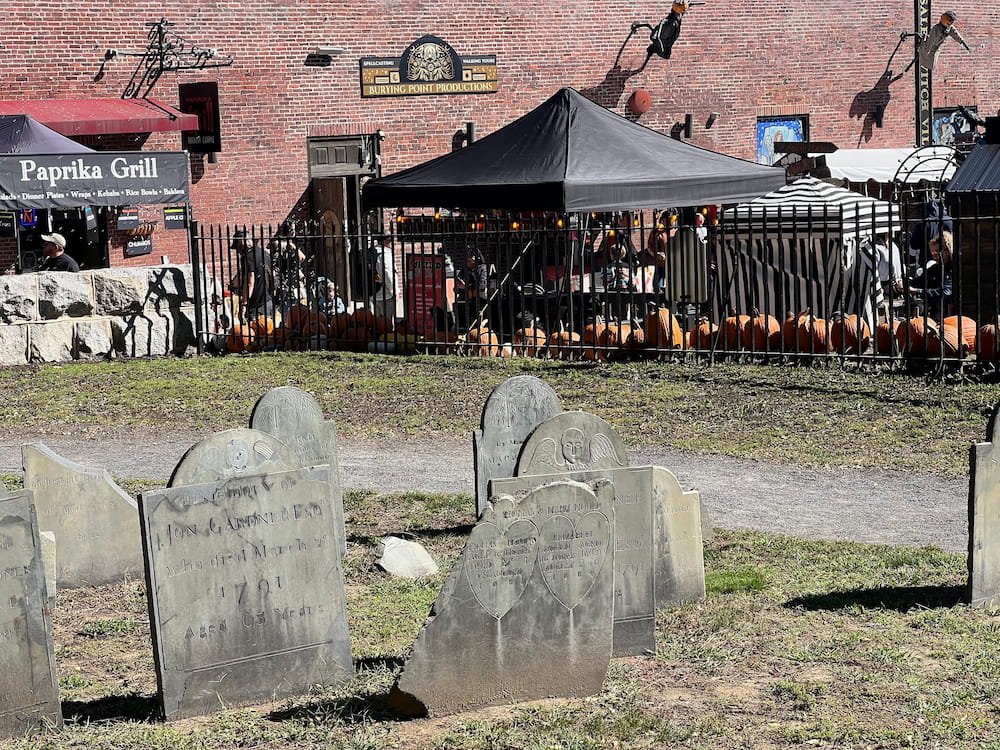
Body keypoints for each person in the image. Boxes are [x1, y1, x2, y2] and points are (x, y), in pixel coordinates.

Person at [232, 230, 274, 321]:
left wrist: (244, 304)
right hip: (268, 300)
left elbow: (250, 281)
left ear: (241, 242)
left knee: (254, 329)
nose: (238, 250)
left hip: (256, 305)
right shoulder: (263, 253)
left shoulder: (248, 257)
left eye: (237, 246)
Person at [367, 237, 397, 320]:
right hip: (385, 295)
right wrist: (394, 291)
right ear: (386, 241)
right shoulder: (385, 254)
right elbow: (388, 274)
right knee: (387, 322)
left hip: (372, 293)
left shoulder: (371, 252)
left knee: (376, 322)